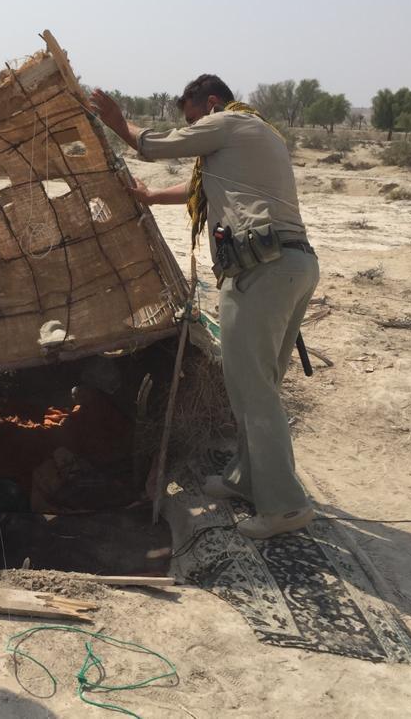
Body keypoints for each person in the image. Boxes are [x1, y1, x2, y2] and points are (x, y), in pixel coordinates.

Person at [90, 75, 319, 539]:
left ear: (210, 102)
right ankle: (247, 479)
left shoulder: (229, 122)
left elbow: (154, 146)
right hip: (291, 263)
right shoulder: (256, 133)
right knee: (256, 384)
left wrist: (117, 122)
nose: (194, 128)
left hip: (261, 270)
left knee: (254, 391)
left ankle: (286, 506)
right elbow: (204, 189)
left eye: (194, 117)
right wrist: (153, 197)